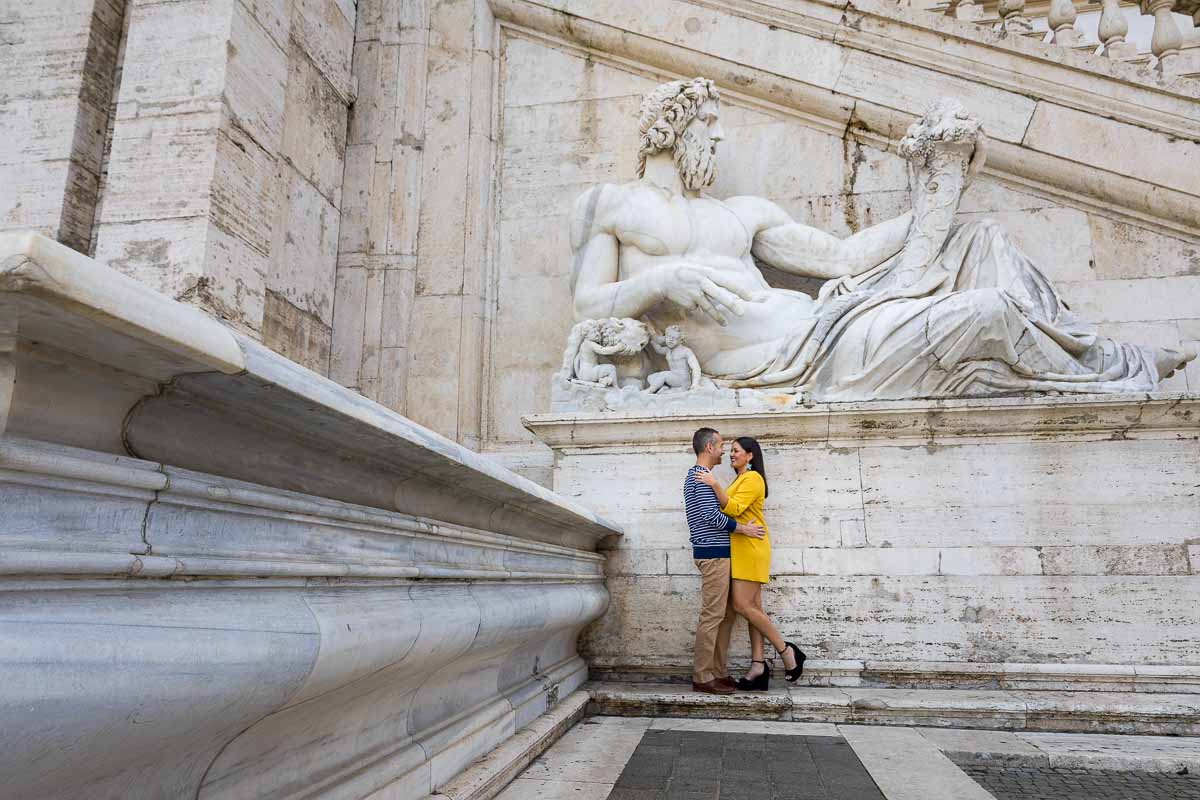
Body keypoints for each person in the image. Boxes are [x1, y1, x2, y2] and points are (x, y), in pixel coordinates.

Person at [695, 436, 805, 689]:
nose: (731, 454)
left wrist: (713, 484)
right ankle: (758, 666)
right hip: (741, 547)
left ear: (750, 455)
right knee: (753, 608)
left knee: (742, 605)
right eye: (730, 450)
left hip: (751, 548)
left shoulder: (753, 478)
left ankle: (787, 651)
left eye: (736, 451)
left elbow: (732, 509)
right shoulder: (740, 479)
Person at [685, 427, 764, 695]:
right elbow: (711, 516)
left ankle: (717, 671)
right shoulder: (699, 477)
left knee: (726, 615)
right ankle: (702, 676)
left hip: (720, 553)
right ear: (709, 447)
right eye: (720, 446)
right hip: (713, 555)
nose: (723, 451)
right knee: (713, 615)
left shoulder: (703, 477)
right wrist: (743, 529)